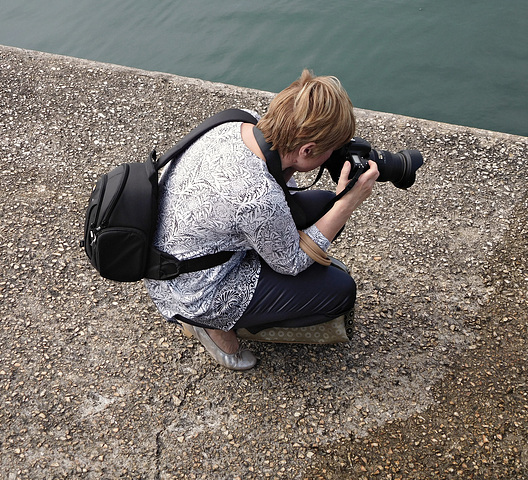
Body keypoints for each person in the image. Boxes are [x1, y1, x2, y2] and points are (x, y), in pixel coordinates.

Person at [143, 69, 379, 370]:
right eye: (329, 150)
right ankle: (211, 326)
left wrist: (297, 167)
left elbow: (277, 183)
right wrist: (348, 202)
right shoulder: (257, 196)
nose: (332, 155)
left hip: (176, 253)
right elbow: (291, 262)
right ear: (307, 150)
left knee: (321, 205)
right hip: (193, 290)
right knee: (339, 291)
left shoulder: (238, 121)